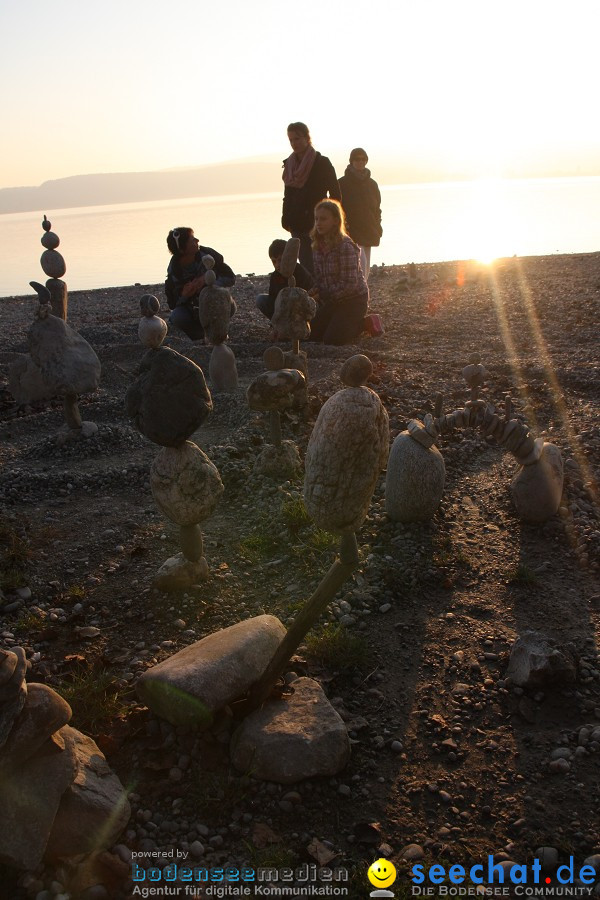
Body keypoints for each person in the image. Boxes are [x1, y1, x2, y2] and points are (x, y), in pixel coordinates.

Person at [281, 122, 341, 274]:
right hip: (297, 223)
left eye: (297, 139)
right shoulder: (289, 165)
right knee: (306, 265)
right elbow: (288, 195)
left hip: (319, 223)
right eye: (291, 140)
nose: (294, 143)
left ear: (307, 138)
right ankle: (311, 297)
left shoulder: (322, 163)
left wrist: (332, 219)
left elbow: (335, 195)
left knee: (322, 264)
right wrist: (285, 218)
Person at [308, 199, 369, 345]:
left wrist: (325, 294)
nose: (318, 223)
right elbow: (320, 280)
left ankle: (364, 324)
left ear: (335, 221)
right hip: (332, 301)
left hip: (353, 301)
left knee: (333, 339)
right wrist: (310, 294)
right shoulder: (317, 246)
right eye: (316, 219)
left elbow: (350, 284)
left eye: (323, 219)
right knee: (311, 334)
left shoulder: (346, 246)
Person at [164, 227, 235, 340]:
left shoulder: (208, 255)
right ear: (182, 250)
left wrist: (209, 280)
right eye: (192, 240)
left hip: (213, 301)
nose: (197, 240)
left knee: (227, 302)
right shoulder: (175, 272)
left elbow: (230, 277)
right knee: (177, 317)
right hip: (192, 310)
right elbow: (172, 304)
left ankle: (218, 332)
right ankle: (198, 335)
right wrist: (184, 296)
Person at [337, 148, 382, 282]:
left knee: (366, 265)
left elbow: (377, 208)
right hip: (350, 231)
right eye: (357, 159)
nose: (360, 162)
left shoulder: (372, 184)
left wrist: (378, 225)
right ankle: (357, 293)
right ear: (351, 161)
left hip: (369, 228)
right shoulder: (342, 183)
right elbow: (336, 207)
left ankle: (363, 295)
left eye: (363, 159)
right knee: (355, 264)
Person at [255, 238, 314, 322]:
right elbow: (273, 297)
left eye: (280, 260)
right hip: (282, 309)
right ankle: (278, 324)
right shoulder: (275, 276)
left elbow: (309, 293)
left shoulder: (299, 271)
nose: (277, 265)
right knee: (260, 299)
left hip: (301, 308)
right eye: (274, 262)